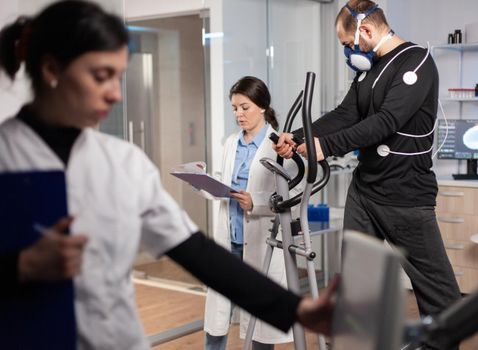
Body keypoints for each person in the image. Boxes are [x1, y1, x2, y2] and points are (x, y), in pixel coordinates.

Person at [0, 1, 336, 349]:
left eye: (119, 76)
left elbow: (196, 251)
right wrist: (19, 267)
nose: (116, 94)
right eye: (101, 76)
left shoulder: (123, 162)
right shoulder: (6, 157)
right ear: (52, 68)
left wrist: (297, 309)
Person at [274, 1, 460, 349]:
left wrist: (325, 147)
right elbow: (346, 114)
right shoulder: (367, 71)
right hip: (365, 191)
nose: (349, 52)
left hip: (406, 195)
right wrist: (300, 137)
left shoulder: (416, 62)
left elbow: (385, 122)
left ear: (367, 31)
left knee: (440, 295)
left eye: (348, 44)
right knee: (359, 289)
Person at [204, 76, 297, 350]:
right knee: (217, 316)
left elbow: (290, 194)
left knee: (259, 321)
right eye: (234, 108)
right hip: (230, 240)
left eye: (244, 107)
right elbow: (221, 180)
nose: (238, 114)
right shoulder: (231, 143)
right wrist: (206, 184)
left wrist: (254, 202)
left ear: (262, 107)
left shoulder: (279, 146)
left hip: (258, 242)